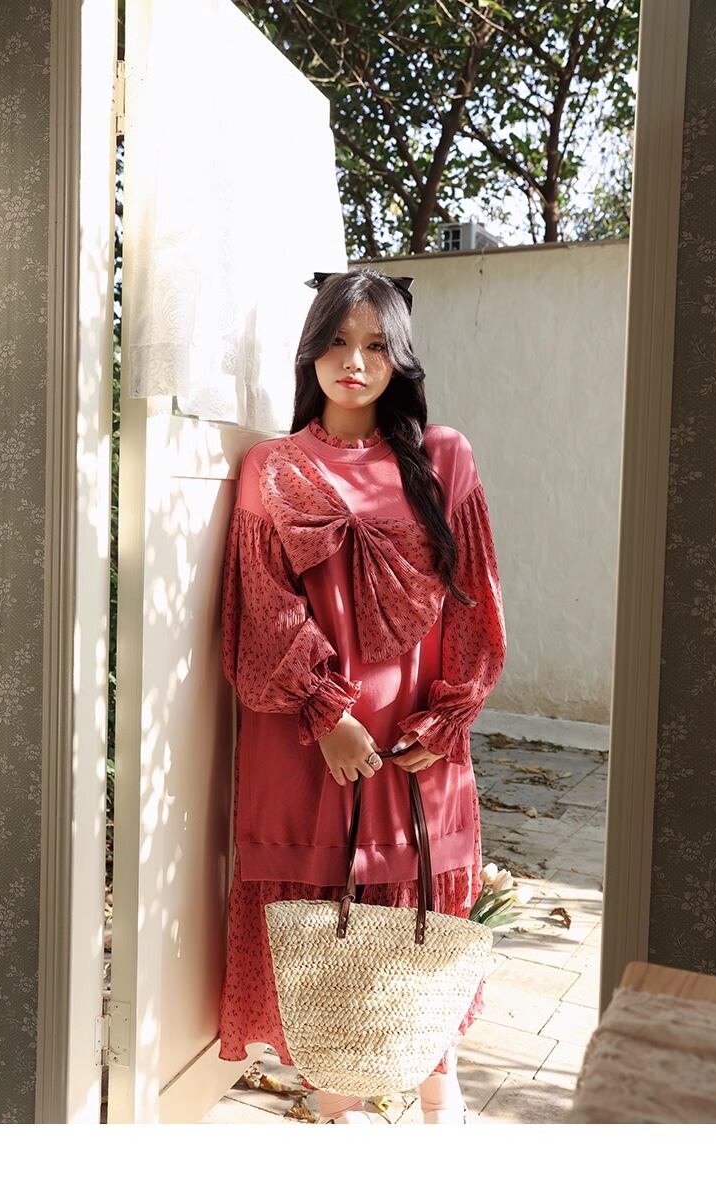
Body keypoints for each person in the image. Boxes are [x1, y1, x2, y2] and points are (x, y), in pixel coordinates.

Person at [217, 268, 507, 1124]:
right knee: (324, 929)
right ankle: (336, 1102)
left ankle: (439, 1094)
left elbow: (475, 602)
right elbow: (264, 610)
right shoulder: (273, 468)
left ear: (401, 357)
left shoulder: (444, 456)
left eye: (377, 346)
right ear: (311, 351)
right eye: (339, 342)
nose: (355, 362)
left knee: (420, 911)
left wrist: (448, 715)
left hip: (416, 737)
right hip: (313, 743)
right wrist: (327, 715)